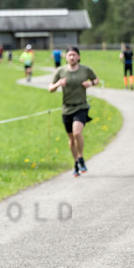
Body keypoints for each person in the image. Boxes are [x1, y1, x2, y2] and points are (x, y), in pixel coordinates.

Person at [49, 45, 99, 177]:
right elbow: (50, 89)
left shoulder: (85, 70)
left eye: (74, 55)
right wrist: (58, 84)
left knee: (77, 133)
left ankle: (81, 158)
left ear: (79, 57)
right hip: (67, 108)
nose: (72, 57)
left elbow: (96, 79)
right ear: (66, 57)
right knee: (71, 139)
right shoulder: (60, 71)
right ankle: (76, 162)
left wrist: (91, 84)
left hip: (81, 106)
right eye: (69, 55)